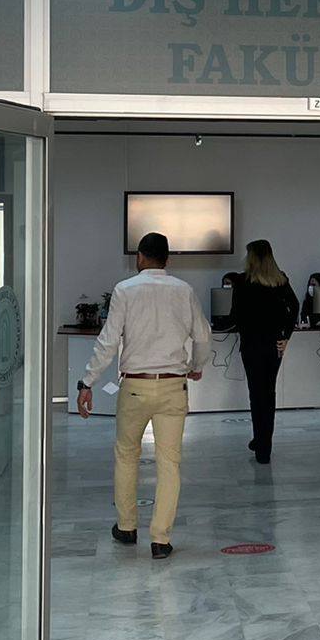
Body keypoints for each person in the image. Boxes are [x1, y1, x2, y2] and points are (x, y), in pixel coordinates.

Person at [76, 231, 211, 560]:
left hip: (135, 386)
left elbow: (108, 341)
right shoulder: (184, 290)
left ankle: (126, 527)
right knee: (169, 463)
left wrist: (87, 381)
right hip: (173, 386)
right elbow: (203, 336)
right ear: (167, 259)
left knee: (126, 456)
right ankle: (161, 539)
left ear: (139, 257)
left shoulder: (125, 290)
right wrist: (196, 366)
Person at [232, 238, 300, 464]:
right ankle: (264, 446)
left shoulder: (241, 281)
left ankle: (260, 440)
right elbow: (294, 307)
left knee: (256, 394)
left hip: (251, 344)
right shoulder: (280, 280)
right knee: (268, 394)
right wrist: (286, 335)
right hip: (274, 344)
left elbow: (235, 315)